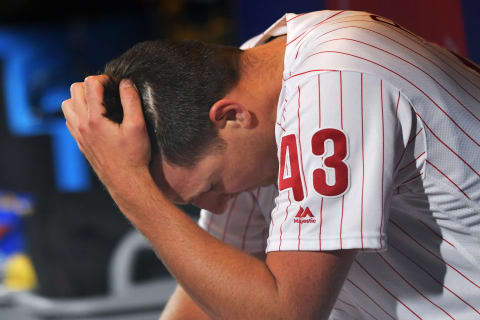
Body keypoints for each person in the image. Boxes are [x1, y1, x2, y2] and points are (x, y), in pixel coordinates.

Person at [62, 10, 480, 319]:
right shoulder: (250, 78)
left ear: (232, 117)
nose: (218, 206)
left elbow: (284, 314)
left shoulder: (334, 81)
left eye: (211, 186)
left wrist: (129, 188)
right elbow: (208, 294)